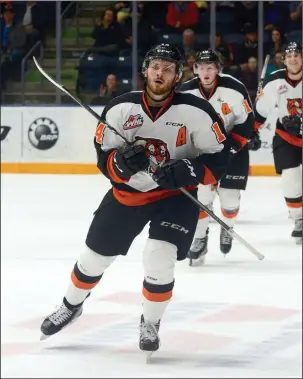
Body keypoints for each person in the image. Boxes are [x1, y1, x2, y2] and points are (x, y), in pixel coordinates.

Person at [40, 44, 230, 354]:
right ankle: (70, 306)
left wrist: (188, 171)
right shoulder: (120, 108)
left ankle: (151, 322)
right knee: (93, 259)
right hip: (128, 195)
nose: (160, 73)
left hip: (174, 197)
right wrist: (119, 164)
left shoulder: (197, 112)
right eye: (155, 66)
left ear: (179, 75)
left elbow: (219, 159)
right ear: (145, 70)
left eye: (168, 68)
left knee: (159, 257)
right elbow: (104, 158)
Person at [179, 49, 255, 264]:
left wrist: (231, 148)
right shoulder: (185, 93)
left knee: (229, 199)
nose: (206, 72)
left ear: (218, 69)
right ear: (195, 70)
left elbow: (247, 121)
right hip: (202, 151)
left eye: (210, 68)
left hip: (233, 147)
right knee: (202, 198)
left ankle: (227, 228)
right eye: (201, 68)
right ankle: (200, 238)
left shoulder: (234, 88)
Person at [254, 42, 302, 244]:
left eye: (297, 55)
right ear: (284, 60)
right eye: (289, 56)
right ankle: (299, 219)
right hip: (286, 136)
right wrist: (252, 132)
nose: (293, 59)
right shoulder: (274, 80)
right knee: (290, 179)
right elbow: (261, 110)